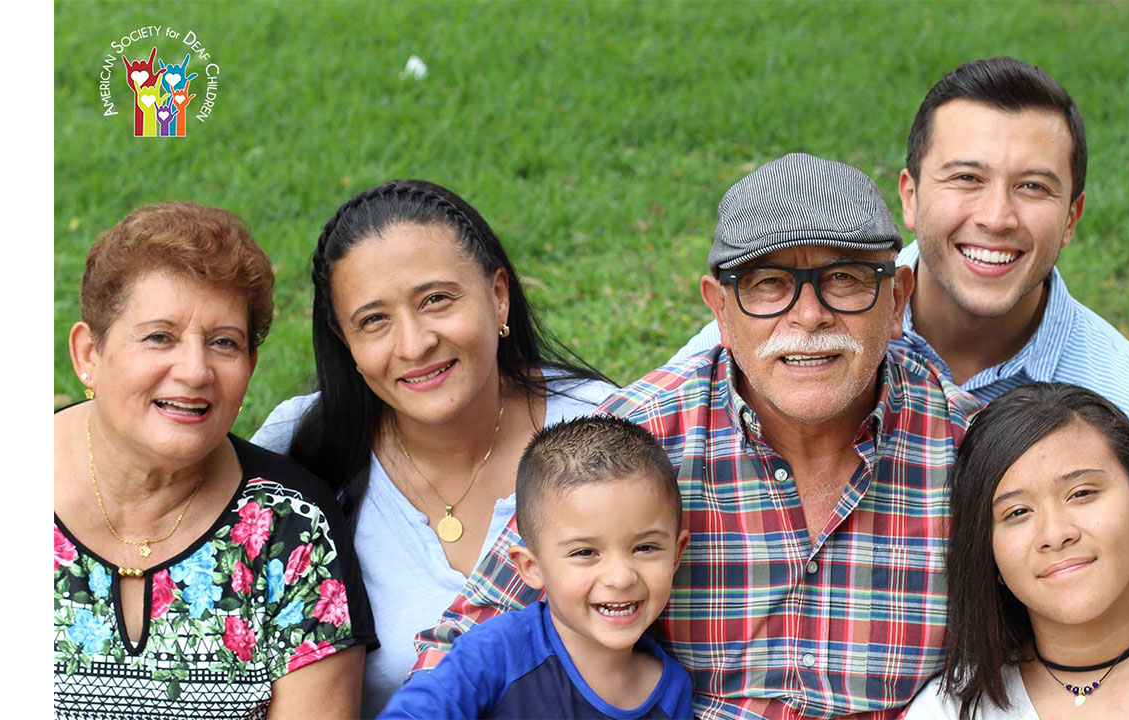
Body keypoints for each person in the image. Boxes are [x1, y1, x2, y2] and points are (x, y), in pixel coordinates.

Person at [413, 154, 981, 719]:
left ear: (898, 298)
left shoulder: (972, 451)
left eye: (845, 279)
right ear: (720, 308)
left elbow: (1061, 659)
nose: (809, 315)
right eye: (769, 284)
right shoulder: (637, 441)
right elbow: (461, 647)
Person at [249, 179, 618, 715]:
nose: (414, 343)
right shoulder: (302, 445)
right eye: (373, 320)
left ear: (498, 295)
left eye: (436, 300)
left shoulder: (602, 426)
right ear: (343, 339)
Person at [670, 57, 1129, 419]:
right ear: (909, 197)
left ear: (1072, 217)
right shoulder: (804, 314)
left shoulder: (1123, 401)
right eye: (967, 178)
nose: (997, 218)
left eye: (1033, 186)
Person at [54, 202, 375, 718]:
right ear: (89, 353)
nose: (195, 370)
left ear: (249, 367)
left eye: (224, 343)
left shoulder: (290, 528)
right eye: (160, 336)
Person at [379, 416, 694, 719]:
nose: (621, 577)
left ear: (676, 553)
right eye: (586, 552)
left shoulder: (671, 692)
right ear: (531, 566)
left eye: (645, 548)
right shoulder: (494, 655)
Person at [903, 383, 1129, 719]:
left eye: (1081, 493)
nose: (1055, 535)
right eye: (1018, 513)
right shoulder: (951, 712)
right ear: (988, 551)